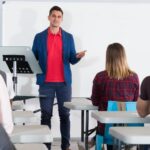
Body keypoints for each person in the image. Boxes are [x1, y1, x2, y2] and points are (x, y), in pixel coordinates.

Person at [32, 6, 85, 150]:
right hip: (46, 83)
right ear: (49, 17)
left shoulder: (68, 37)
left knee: (64, 115)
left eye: (59, 16)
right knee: (45, 115)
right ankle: (45, 146)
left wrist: (77, 57)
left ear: (62, 19)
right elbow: (33, 58)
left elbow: (72, 60)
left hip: (64, 83)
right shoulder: (39, 37)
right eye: (53, 16)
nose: (56, 18)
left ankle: (65, 146)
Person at [90, 43, 139, 150]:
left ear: (108, 58)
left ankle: (93, 142)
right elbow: (134, 103)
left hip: (106, 128)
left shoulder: (100, 77)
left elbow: (95, 102)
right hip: (129, 128)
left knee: (104, 128)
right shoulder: (134, 77)